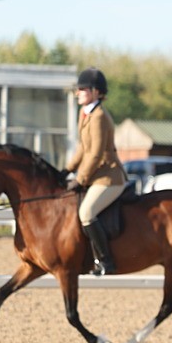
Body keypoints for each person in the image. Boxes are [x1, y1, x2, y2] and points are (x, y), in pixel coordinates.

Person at [65, 67, 127, 276]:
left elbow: (96, 154)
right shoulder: (86, 114)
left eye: (82, 89)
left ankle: (106, 260)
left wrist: (80, 179)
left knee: (86, 213)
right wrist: (66, 170)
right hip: (96, 176)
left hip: (110, 177)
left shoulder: (99, 116)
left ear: (95, 91)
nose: (77, 93)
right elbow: (83, 148)